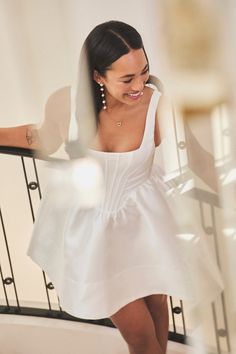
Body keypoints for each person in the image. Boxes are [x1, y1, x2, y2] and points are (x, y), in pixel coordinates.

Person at [0, 20, 224, 354]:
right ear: (97, 76)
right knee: (139, 335)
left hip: (145, 220)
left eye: (144, 71)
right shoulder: (67, 102)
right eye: (127, 78)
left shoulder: (159, 106)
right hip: (94, 231)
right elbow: (41, 137)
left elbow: (201, 161)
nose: (140, 85)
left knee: (156, 305)